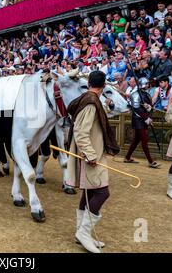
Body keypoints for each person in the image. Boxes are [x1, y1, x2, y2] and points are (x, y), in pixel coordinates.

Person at [66, 70, 120, 253]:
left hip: (92, 154)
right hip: (90, 157)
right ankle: (83, 232)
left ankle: (81, 233)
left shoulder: (90, 99)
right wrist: (90, 154)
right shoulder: (90, 102)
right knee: (103, 192)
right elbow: (80, 132)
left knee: (89, 193)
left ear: (88, 82)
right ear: (104, 86)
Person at [124, 78, 161, 168]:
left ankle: (127, 157)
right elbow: (136, 108)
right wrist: (146, 117)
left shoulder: (146, 94)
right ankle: (150, 161)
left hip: (144, 119)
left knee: (137, 140)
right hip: (138, 119)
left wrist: (149, 108)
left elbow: (149, 105)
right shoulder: (135, 94)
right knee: (144, 140)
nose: (148, 85)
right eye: (147, 84)